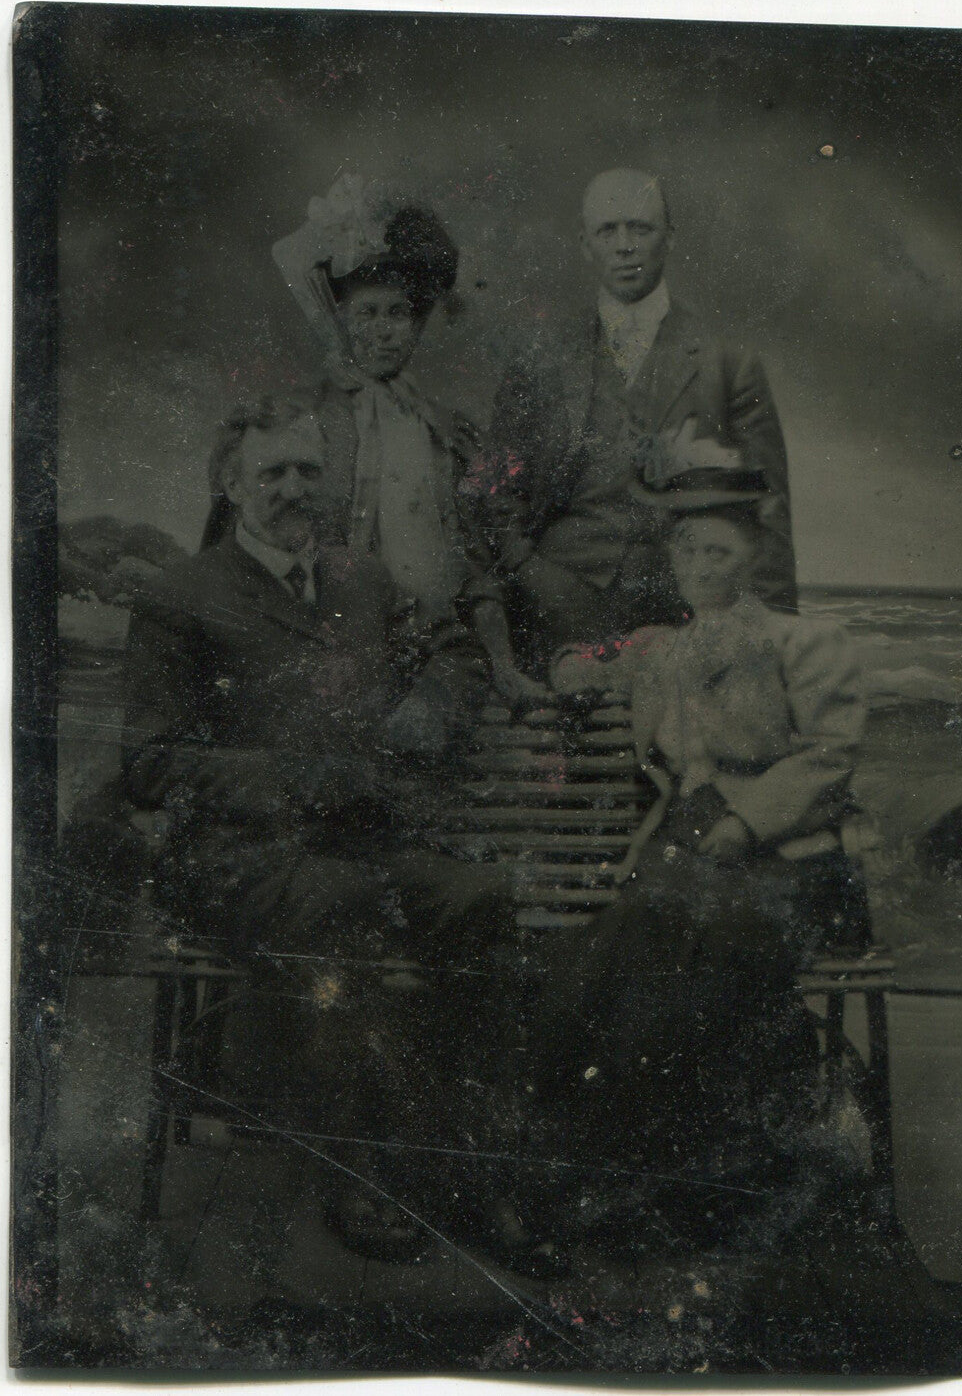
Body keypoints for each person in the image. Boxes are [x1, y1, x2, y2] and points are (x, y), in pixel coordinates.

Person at [122, 393, 520, 1259]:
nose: (296, 488)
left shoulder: (361, 578)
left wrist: (428, 710)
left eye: (309, 469)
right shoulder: (181, 595)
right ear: (230, 484)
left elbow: (452, 651)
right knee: (339, 906)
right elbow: (150, 761)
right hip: (238, 854)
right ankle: (363, 1174)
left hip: (360, 836)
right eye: (273, 472)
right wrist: (290, 778)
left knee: (477, 899)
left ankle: (464, 1166)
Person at [521, 476, 870, 1246]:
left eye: (720, 550)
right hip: (685, 858)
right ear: (672, 560)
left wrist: (746, 824)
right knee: (609, 958)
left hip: (788, 863)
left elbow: (831, 757)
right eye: (689, 548)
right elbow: (591, 663)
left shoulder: (805, 643)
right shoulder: (665, 650)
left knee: (690, 965)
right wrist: (569, 667)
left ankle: (662, 1182)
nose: (701, 564)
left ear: (752, 560)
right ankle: (585, 1168)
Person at [481, 167, 796, 663]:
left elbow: (769, 506)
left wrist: (778, 635)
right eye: (608, 230)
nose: (624, 246)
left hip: (687, 601)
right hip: (555, 597)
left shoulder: (728, 360)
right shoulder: (539, 356)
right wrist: (528, 571)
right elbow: (496, 490)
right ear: (585, 244)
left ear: (669, 238)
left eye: (640, 228)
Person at [268, 175, 547, 707]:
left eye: (399, 314)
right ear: (339, 318)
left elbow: (473, 557)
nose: (384, 331)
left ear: (419, 327)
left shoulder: (443, 429)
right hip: (341, 650)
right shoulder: (309, 422)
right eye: (367, 313)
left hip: (440, 647)